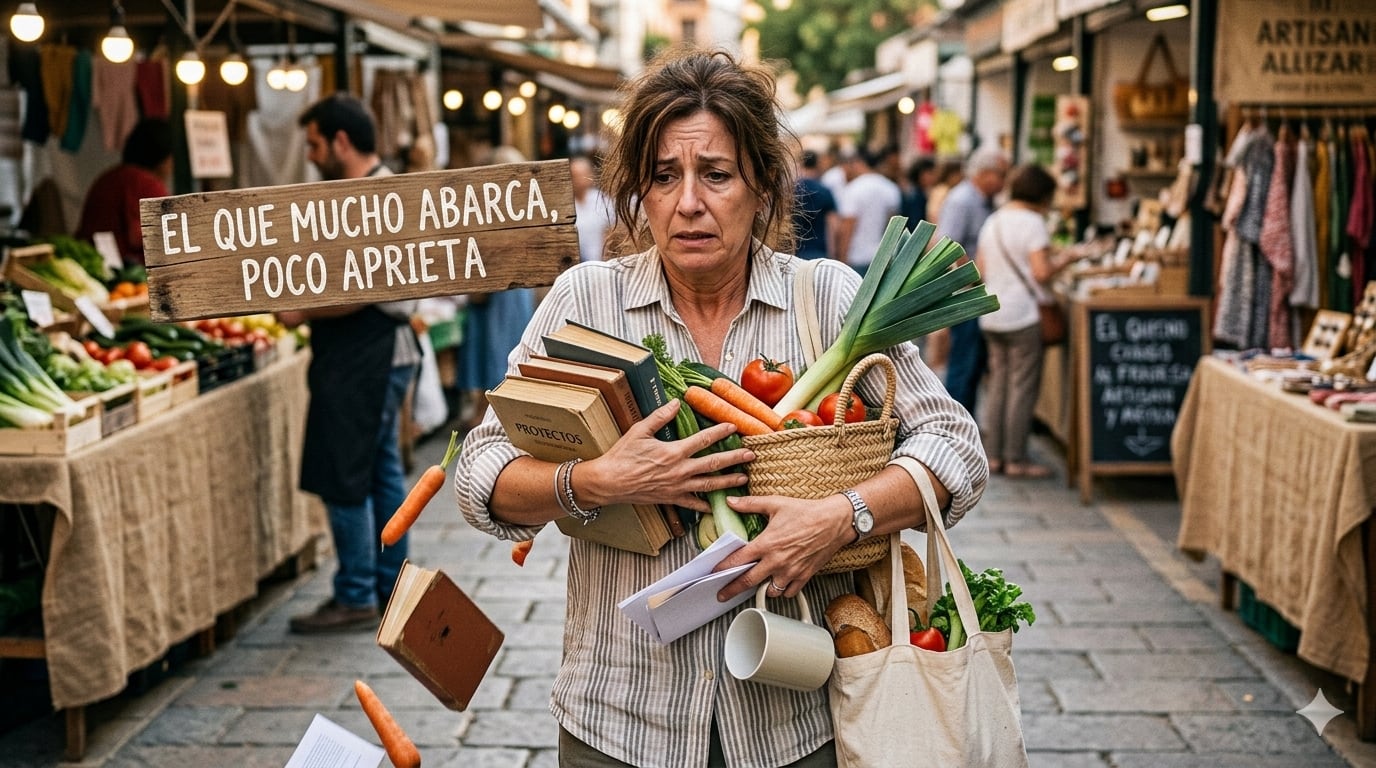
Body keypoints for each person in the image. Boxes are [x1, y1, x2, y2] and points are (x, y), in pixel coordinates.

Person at [454, 48, 987, 768]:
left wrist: (839, 518)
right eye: (664, 177)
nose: (689, 203)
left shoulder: (823, 301)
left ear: (762, 187)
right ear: (639, 191)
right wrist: (596, 482)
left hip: (796, 721)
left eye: (716, 174)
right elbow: (480, 473)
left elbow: (954, 445)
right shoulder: (587, 303)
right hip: (619, 717)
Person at [279, 93, 422, 634]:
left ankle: (357, 591)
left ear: (341, 141)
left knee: (345, 470)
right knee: (381, 470)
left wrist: (298, 308)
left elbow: (367, 287)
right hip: (374, 352)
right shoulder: (364, 193)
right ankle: (386, 586)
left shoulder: (376, 196)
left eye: (315, 144)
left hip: (372, 353)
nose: (311, 155)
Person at [975, 164, 1070, 478]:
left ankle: (993, 457)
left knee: (999, 384)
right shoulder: (1033, 223)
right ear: (1042, 194)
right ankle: (1016, 459)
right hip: (1023, 314)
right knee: (1022, 388)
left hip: (992, 312)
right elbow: (1041, 272)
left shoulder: (994, 221)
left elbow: (981, 269)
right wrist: (1067, 259)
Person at [457, 145, 538, 430]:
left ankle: (492, 412)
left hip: (503, 292)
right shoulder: (516, 204)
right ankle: (487, 408)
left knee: (498, 348)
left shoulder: (511, 206)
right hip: (505, 291)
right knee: (492, 347)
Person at [938, 146, 1009, 418]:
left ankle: (965, 421)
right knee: (964, 363)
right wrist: (974, 273)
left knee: (974, 364)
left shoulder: (983, 201)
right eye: (1001, 174)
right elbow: (947, 247)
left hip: (978, 294)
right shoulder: (962, 201)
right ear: (986, 174)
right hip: (966, 293)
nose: (1004, 181)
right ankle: (954, 424)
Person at [74, 116, 173, 265]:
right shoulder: (148, 185)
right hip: (121, 273)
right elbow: (157, 238)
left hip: (88, 264)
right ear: (163, 160)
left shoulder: (108, 177)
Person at [835, 144, 902, 276]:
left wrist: (841, 261)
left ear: (859, 163)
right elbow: (894, 226)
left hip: (856, 258)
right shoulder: (890, 188)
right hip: (883, 257)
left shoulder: (854, 189)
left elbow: (847, 227)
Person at [791, 149, 837, 260]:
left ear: (801, 163)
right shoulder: (824, 191)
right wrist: (834, 254)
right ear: (817, 164)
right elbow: (833, 226)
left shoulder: (791, 191)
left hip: (795, 254)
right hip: (819, 253)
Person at [571, 154, 614, 262]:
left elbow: (612, 230)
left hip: (603, 260)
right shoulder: (567, 205)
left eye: (583, 175)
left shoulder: (601, 200)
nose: (580, 180)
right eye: (576, 176)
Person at [925, 158, 964, 224]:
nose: (961, 177)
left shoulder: (952, 189)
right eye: (958, 174)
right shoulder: (941, 191)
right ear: (951, 175)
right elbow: (934, 215)